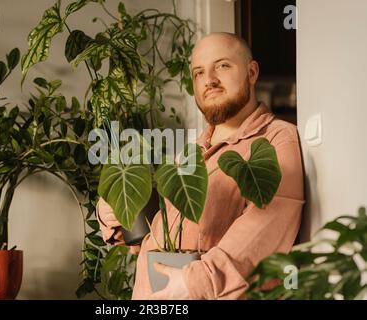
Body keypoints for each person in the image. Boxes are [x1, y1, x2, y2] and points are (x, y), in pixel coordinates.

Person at [96, 32, 305, 300]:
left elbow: (266, 230)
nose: (210, 80)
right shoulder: (191, 152)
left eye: (222, 66)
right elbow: (158, 238)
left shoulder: (277, 138)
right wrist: (115, 212)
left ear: (252, 73)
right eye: (198, 72)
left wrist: (197, 282)